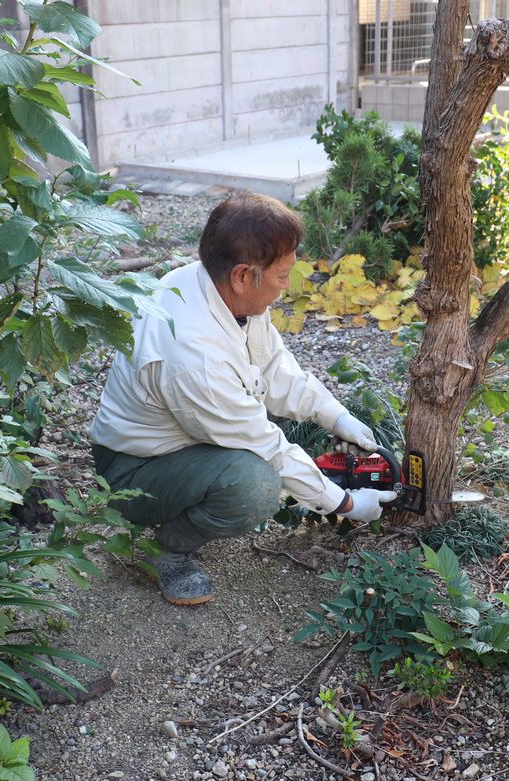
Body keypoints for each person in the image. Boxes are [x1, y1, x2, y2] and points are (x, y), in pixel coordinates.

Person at [89, 192, 397, 605]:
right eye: (282, 276)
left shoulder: (219, 290)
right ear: (241, 275)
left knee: (272, 430)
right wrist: (342, 503)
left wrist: (336, 416)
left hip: (187, 432)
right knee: (255, 486)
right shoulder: (195, 358)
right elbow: (264, 447)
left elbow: (272, 367)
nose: (286, 287)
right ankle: (166, 551)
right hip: (135, 469)